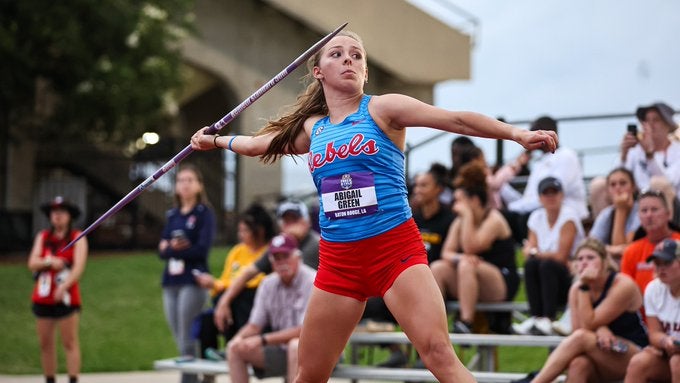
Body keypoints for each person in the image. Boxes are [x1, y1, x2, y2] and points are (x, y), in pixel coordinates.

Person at [190, 30, 557, 383]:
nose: (348, 59)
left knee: (438, 353)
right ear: (318, 72)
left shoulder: (383, 109)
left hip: (394, 251)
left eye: (356, 56)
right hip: (339, 263)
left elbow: (455, 119)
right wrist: (217, 141)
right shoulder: (313, 128)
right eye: (337, 54)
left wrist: (517, 134)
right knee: (309, 375)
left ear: (364, 71)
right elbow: (259, 145)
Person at [527, 238, 648, 383]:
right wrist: (600, 329)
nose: (584, 262)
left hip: (634, 353)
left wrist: (584, 287)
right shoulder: (575, 289)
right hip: (602, 351)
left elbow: (587, 327)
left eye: (591, 258)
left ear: (604, 262)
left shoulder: (622, 284)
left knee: (581, 338)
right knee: (578, 365)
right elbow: (578, 330)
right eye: (580, 259)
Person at [430, 161, 519, 334]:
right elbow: (446, 253)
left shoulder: (494, 219)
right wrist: (459, 257)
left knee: (467, 264)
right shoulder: (460, 221)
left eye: (459, 201)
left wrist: (468, 215)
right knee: (438, 268)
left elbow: (472, 248)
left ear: (475, 200)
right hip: (471, 278)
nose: (455, 206)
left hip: (501, 280)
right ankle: (436, 326)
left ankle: (466, 322)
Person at [212, 199, 319, 333]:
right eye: (286, 221)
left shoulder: (316, 244)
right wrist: (224, 301)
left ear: (307, 221)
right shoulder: (279, 245)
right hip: (286, 311)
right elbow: (248, 273)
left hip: (308, 311)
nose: (290, 226)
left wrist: (264, 340)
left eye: (295, 220)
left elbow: (293, 276)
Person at [226, 233, 316, 383]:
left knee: (295, 345)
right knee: (234, 348)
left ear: (297, 257)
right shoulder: (267, 284)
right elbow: (254, 325)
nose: (282, 262)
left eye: (285, 256)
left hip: (318, 351)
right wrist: (237, 339)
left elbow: (304, 331)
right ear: (271, 262)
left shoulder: (313, 281)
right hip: (282, 350)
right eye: (277, 258)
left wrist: (263, 339)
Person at [193, 204, 275, 360]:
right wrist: (215, 285)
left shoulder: (269, 251)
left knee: (240, 298)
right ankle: (210, 362)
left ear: (260, 230)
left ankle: (237, 348)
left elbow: (256, 282)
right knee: (207, 318)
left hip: (255, 303)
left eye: (245, 230)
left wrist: (225, 290)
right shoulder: (237, 251)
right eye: (239, 230)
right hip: (231, 301)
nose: (240, 235)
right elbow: (226, 280)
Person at [158, 164, 216, 383]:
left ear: (199, 185)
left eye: (190, 180)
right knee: (178, 335)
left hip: (193, 280)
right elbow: (161, 251)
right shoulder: (172, 214)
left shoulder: (204, 213)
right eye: (181, 180)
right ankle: (200, 376)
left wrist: (172, 248)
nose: (185, 184)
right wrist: (175, 248)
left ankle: (191, 379)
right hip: (171, 280)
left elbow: (201, 249)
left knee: (187, 335)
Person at [513, 177, 585, 336]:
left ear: (562, 195)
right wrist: (536, 253)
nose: (551, 197)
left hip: (568, 277)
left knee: (546, 265)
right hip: (551, 274)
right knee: (533, 265)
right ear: (540, 197)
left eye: (554, 192)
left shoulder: (569, 217)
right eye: (546, 193)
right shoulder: (536, 217)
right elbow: (530, 254)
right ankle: (536, 316)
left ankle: (548, 317)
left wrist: (536, 253)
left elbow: (561, 256)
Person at [500, 116, 588, 244]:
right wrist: (501, 183)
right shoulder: (539, 163)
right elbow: (527, 200)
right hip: (539, 210)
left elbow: (549, 196)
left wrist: (512, 208)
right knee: (503, 216)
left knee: (521, 217)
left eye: (536, 133)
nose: (531, 137)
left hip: (564, 212)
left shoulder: (566, 156)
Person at [27, 196, 88, 383]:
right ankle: (50, 379)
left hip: (66, 296)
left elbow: (78, 267)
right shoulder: (43, 237)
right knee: (45, 343)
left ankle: (72, 379)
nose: (57, 216)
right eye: (54, 212)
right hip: (43, 296)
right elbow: (32, 263)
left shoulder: (77, 237)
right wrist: (49, 261)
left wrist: (64, 286)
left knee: (69, 341)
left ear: (69, 216)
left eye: (62, 212)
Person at [625, 239, 680, 383]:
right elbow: (654, 333)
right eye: (657, 263)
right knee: (639, 362)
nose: (661, 268)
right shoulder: (653, 289)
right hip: (669, 354)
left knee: (677, 362)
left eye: (667, 263)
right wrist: (665, 341)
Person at [620, 189, 680, 297]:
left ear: (668, 214)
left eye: (654, 209)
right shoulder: (631, 251)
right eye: (644, 210)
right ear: (639, 216)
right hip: (643, 310)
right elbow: (626, 292)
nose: (649, 215)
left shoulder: (678, 242)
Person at [620, 102, 680, 195]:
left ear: (668, 125)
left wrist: (650, 156)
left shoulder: (677, 151)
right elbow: (620, 179)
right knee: (599, 186)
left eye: (656, 120)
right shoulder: (636, 151)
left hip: (670, 206)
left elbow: (668, 184)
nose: (650, 124)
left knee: (657, 183)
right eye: (646, 120)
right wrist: (623, 156)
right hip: (638, 204)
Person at [588, 167, 640, 263]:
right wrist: (612, 249)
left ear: (633, 187)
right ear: (608, 191)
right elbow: (591, 246)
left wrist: (621, 210)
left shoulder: (641, 211)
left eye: (623, 183)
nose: (618, 188)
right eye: (613, 185)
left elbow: (625, 252)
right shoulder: (606, 214)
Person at [412, 162, 455, 264]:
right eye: (416, 185)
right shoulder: (411, 219)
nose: (417, 190)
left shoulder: (450, 220)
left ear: (438, 189)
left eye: (423, 185)